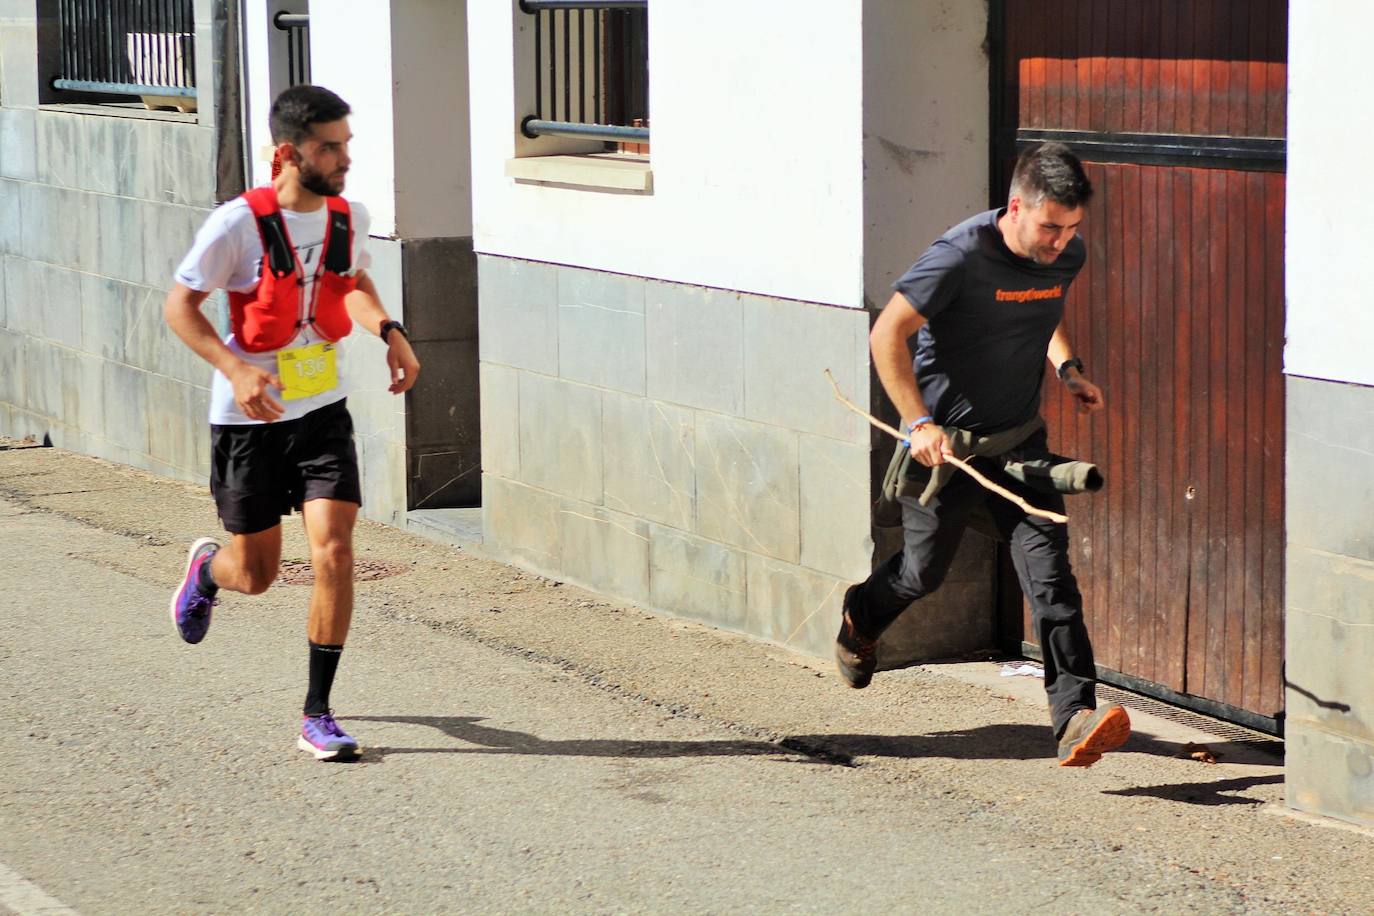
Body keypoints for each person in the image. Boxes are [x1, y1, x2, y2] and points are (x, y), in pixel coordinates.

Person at [834, 142, 1131, 767]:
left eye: (1072, 229)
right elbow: (887, 333)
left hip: (1020, 446)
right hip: (947, 452)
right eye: (1050, 226)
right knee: (921, 575)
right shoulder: (958, 257)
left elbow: (1043, 310)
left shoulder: (1063, 253)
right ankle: (862, 613)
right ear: (1016, 206)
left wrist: (1068, 368)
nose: (1061, 242)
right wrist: (918, 422)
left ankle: (1074, 716)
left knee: (1052, 581)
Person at [163, 85, 420, 761]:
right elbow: (180, 308)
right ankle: (208, 573)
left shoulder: (348, 217)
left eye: (346, 144)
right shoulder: (236, 226)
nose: (343, 159)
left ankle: (318, 713)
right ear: (287, 151)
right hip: (250, 419)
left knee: (334, 548)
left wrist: (390, 331)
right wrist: (235, 368)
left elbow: (352, 284)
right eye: (328, 146)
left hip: (321, 412)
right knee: (257, 573)